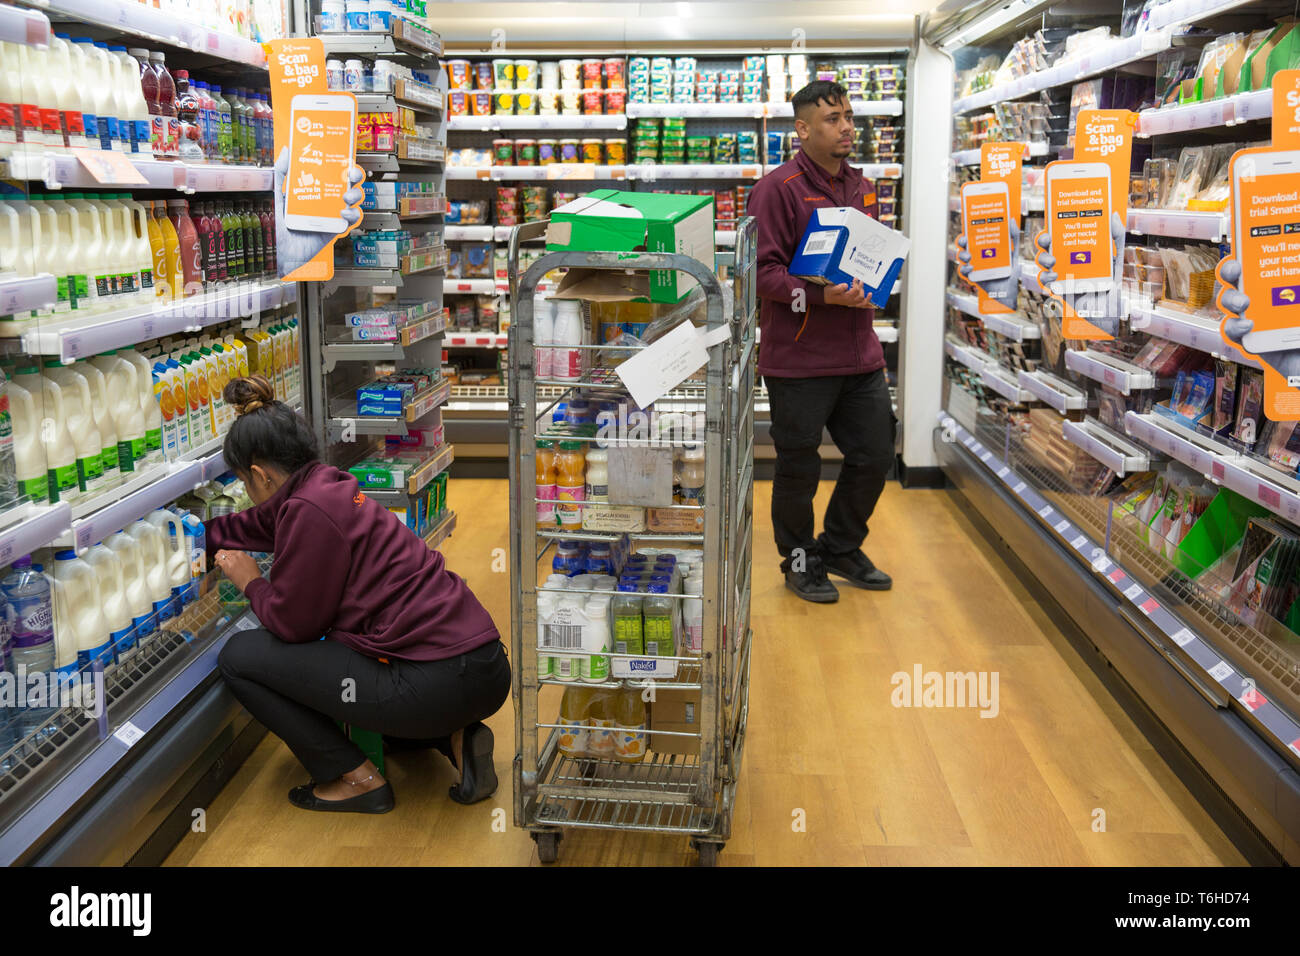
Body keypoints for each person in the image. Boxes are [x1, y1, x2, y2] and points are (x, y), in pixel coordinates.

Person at [209, 375, 509, 814]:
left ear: (259, 475)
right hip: (485, 668)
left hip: (433, 683)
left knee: (239, 657)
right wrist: (205, 534)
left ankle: (356, 778)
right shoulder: (324, 485)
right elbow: (266, 525)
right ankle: (454, 738)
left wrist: (250, 580)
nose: (249, 496)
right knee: (358, 672)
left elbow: (295, 625)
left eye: (244, 483)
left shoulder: (307, 512)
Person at [746, 80, 895, 604]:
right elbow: (759, 272)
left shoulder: (861, 184)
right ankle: (801, 561)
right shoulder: (777, 189)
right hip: (799, 359)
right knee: (799, 467)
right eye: (833, 119)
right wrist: (820, 295)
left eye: (849, 116)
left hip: (859, 354)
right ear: (803, 129)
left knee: (876, 453)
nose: (847, 127)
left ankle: (839, 546)